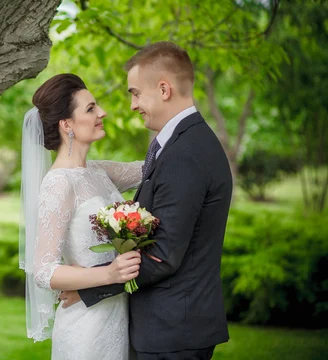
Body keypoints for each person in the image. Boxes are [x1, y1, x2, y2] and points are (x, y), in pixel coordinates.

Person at [64, 42, 233, 360]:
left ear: (165, 89)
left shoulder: (186, 154)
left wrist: (90, 284)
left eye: (135, 93)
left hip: (173, 331)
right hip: (171, 325)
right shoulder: (181, 143)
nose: (132, 105)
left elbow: (163, 256)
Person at [19, 73, 144, 360]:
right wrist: (109, 274)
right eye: (90, 109)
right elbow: (43, 271)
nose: (102, 113)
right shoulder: (59, 184)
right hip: (86, 329)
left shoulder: (99, 171)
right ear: (67, 125)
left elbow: (151, 166)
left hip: (118, 317)